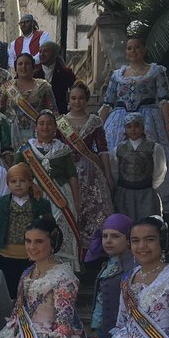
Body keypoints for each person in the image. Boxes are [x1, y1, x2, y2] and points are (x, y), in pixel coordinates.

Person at [99, 31, 169, 214]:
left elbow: (164, 100)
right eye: (129, 48)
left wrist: (168, 125)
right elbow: (108, 102)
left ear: (144, 50)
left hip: (149, 120)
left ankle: (154, 204)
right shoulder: (117, 75)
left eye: (137, 47)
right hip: (119, 120)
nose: (133, 51)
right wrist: (96, 127)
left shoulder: (156, 71)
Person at [20, 110, 82, 266]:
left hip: (61, 196)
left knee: (61, 227)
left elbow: (72, 175)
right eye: (41, 123)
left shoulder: (63, 149)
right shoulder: (26, 149)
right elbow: (17, 172)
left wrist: (76, 202)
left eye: (49, 124)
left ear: (55, 128)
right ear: (36, 127)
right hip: (35, 196)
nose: (45, 127)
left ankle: (62, 265)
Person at [0, 163, 55, 296]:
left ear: (30, 182)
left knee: (29, 291)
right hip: (3, 256)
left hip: (30, 257)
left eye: (22, 181)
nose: (18, 184)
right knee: (7, 292)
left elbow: (49, 228)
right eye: (13, 181)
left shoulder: (41, 204)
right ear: (7, 184)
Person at [58, 81, 113, 244]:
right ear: (69, 100)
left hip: (91, 171)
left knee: (92, 209)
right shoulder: (60, 122)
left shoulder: (95, 121)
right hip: (67, 171)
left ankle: (92, 246)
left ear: (86, 99)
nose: (77, 102)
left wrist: (108, 174)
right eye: (73, 98)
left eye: (81, 98)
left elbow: (103, 149)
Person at [85, 213, 135, 338]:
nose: (108, 241)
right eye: (105, 236)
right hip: (104, 331)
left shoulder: (133, 268)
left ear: (129, 240)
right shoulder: (109, 264)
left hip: (124, 335)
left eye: (115, 236)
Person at [110, 111, 166, 222]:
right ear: (125, 129)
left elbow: (160, 169)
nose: (133, 129)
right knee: (125, 223)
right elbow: (114, 170)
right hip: (124, 193)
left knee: (147, 222)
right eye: (129, 126)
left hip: (146, 192)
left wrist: (151, 185)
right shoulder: (118, 149)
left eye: (137, 126)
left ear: (143, 127)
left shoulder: (154, 147)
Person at [3, 53, 55, 149]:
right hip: (12, 134)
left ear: (33, 67)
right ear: (15, 67)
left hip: (38, 133)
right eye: (20, 64)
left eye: (27, 64)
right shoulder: (7, 87)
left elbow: (53, 112)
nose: (23, 66)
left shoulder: (44, 86)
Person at [36, 40, 76, 114]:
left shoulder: (66, 73)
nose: (42, 54)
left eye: (45, 51)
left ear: (54, 54)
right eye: (40, 52)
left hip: (60, 114)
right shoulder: (34, 73)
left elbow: (75, 90)